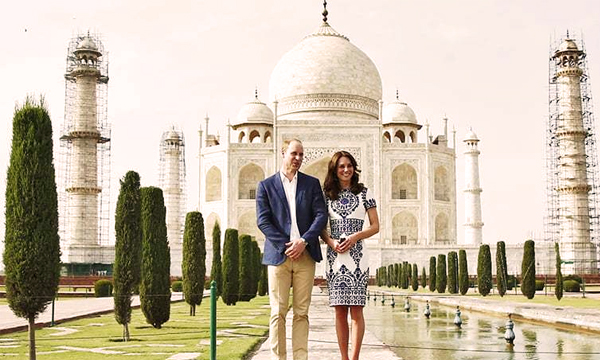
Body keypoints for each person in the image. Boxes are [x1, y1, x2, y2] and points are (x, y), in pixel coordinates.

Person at [256, 138, 328, 360]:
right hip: (279, 255)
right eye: (294, 154)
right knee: (278, 312)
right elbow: (263, 221)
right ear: (283, 153)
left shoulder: (311, 183)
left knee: (301, 313)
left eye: (301, 155)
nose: (297, 158)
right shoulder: (266, 186)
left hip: (305, 255)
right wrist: (287, 245)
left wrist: (304, 241)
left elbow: (320, 215)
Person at [320, 150, 379, 360]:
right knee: (339, 311)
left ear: (354, 168)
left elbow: (375, 226)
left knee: (356, 310)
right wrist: (331, 242)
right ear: (335, 171)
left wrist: (355, 237)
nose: (346, 170)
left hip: (358, 257)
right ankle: (343, 358)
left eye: (349, 166)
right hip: (335, 257)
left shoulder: (364, 193)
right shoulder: (326, 194)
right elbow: (321, 227)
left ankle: (354, 358)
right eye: (341, 167)